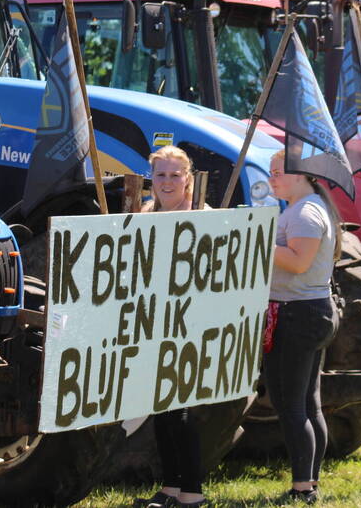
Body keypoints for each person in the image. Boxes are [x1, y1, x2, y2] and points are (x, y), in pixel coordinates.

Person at [263, 149, 339, 505]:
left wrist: (258, 239)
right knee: (308, 405)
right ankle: (310, 482)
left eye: (278, 172)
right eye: (271, 172)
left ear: (302, 175)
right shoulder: (306, 207)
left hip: (298, 314)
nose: (272, 178)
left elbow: (298, 262)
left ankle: (302, 488)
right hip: (309, 312)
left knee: (292, 406)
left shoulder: (305, 212)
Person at [134, 145, 205, 508]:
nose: (167, 182)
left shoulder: (201, 215)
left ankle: (192, 491)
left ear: (187, 178)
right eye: (160, 174)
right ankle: (171, 487)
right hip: (154, 323)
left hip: (189, 324)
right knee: (160, 407)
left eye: (175, 175)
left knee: (180, 408)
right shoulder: (146, 213)